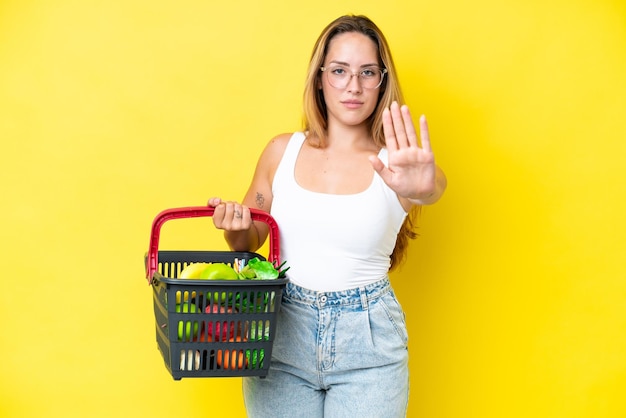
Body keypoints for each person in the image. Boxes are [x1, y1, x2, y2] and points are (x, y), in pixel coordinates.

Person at [208, 14, 447, 418]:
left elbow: (432, 186)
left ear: (382, 81)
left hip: (368, 343)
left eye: (367, 72)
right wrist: (236, 228)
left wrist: (425, 187)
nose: (353, 86)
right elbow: (248, 244)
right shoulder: (281, 152)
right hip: (281, 331)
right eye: (339, 71)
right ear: (320, 78)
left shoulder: (398, 164)